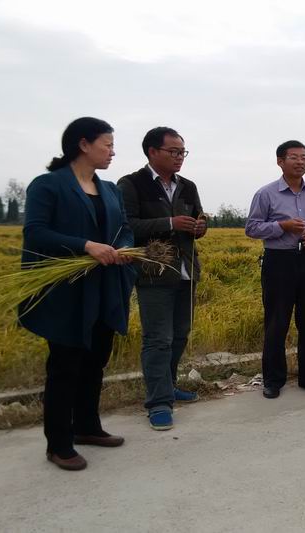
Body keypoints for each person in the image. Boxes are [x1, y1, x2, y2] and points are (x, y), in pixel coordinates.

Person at [20, 117, 136, 471]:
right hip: (67, 291)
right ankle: (58, 444)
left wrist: (124, 248)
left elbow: (124, 228)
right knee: (65, 366)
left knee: (96, 360)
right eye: (107, 145)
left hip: (104, 287)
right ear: (83, 144)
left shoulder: (110, 189)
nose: (112, 152)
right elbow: (36, 233)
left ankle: (87, 426)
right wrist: (86, 246)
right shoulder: (48, 185)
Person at [117, 127, 206, 431]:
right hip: (153, 273)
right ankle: (158, 403)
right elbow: (126, 226)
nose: (180, 157)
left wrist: (199, 227)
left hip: (186, 270)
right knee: (158, 339)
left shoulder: (188, 186)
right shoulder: (132, 184)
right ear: (153, 152)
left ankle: (168, 386)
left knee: (180, 333)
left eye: (183, 152)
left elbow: (198, 218)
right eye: (174, 152)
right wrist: (169, 222)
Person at [245, 140, 305, 399]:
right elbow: (252, 228)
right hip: (279, 262)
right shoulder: (266, 194)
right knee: (276, 322)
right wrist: (282, 227)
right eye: (294, 157)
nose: (300, 162)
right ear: (280, 161)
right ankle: (273, 380)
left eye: (304, 157)